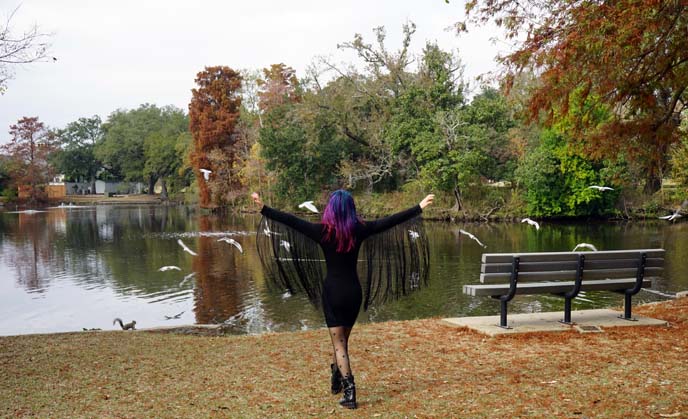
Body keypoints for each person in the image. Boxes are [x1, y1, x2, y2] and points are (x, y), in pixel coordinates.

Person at [251, 190, 434, 409]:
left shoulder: (323, 232)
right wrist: (418, 207)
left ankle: (350, 391)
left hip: (333, 293)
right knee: (342, 342)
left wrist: (264, 208)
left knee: (339, 345)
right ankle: (337, 375)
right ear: (351, 209)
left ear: (330, 209)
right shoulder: (360, 229)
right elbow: (390, 221)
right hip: (354, 293)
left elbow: (292, 221)